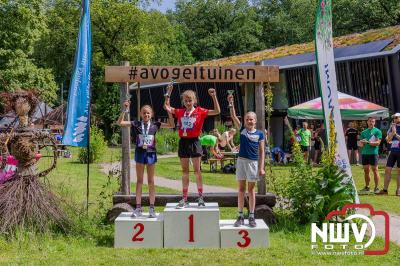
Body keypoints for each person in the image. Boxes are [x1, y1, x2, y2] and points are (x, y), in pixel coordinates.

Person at [164, 86, 220, 208]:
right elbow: (166, 107)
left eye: (190, 100)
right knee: (185, 171)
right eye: (186, 101)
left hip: (195, 142)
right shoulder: (180, 112)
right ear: (183, 102)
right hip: (183, 142)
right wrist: (168, 92)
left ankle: (200, 197)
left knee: (197, 171)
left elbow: (217, 111)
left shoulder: (200, 111)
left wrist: (214, 96)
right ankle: (184, 198)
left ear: (194, 101)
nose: (188, 103)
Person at [118, 99, 175, 217]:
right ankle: (138, 208)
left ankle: (152, 208)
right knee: (139, 181)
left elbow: (172, 124)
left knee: (151, 181)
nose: (146, 115)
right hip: (140, 154)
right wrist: (124, 109)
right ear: (140, 114)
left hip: (151, 154)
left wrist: (168, 110)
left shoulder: (155, 125)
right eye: (144, 113)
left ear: (151, 114)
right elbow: (120, 123)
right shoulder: (136, 124)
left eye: (148, 113)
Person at [228, 94, 265, 228]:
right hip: (241, 162)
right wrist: (231, 103)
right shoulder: (242, 130)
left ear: (255, 121)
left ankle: (251, 216)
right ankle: (239, 215)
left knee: (251, 190)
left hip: (253, 163)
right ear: (244, 121)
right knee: (241, 190)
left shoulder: (260, 134)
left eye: (251, 119)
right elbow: (233, 116)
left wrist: (261, 168)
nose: (249, 121)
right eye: (247, 119)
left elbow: (262, 152)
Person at [377, 113, 400, 196]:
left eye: (396, 117)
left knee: (399, 171)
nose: (394, 119)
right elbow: (388, 140)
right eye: (393, 118)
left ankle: (398, 190)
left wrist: (395, 133)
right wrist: (392, 132)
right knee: (387, 170)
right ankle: (385, 190)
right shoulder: (392, 127)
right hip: (393, 151)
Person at [359, 117, 382, 194]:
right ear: (367, 122)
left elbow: (378, 143)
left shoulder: (377, 131)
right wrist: (362, 142)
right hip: (365, 153)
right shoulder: (363, 132)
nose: (371, 122)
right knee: (366, 171)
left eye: (373, 121)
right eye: (370, 121)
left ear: (374, 122)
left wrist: (368, 142)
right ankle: (367, 187)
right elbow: (361, 144)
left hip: (373, 153)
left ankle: (376, 188)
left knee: (375, 170)